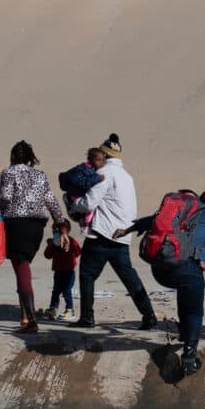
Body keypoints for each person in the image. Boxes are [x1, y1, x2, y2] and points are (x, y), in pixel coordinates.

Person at [114, 181, 205, 376]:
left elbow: (149, 221)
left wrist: (126, 230)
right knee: (195, 307)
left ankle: (184, 332)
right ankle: (189, 356)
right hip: (184, 268)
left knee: (185, 290)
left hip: (159, 269)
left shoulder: (179, 215)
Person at [69, 133, 157, 330]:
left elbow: (90, 202)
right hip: (123, 234)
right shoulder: (127, 177)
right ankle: (149, 315)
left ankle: (87, 317)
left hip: (103, 233)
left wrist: (74, 204)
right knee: (129, 277)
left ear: (105, 156)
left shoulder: (105, 174)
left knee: (87, 274)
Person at [0, 140, 69, 334]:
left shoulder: (8, 172)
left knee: (22, 266)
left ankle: (31, 319)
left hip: (16, 224)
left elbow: (6, 196)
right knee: (21, 266)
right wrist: (61, 223)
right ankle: (24, 316)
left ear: (13, 156)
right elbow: (51, 200)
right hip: (36, 227)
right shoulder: (40, 175)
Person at [59, 148, 106, 234]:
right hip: (76, 194)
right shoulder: (84, 169)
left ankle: (84, 224)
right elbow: (83, 182)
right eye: (98, 160)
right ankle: (85, 225)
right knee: (89, 208)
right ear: (90, 159)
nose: (101, 163)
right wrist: (98, 178)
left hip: (81, 193)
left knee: (90, 209)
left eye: (103, 160)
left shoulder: (92, 169)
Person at [42, 221, 82, 321]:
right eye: (54, 231)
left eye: (58, 231)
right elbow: (47, 255)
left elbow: (78, 252)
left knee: (67, 291)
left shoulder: (71, 240)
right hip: (58, 271)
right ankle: (53, 309)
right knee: (56, 291)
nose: (56, 233)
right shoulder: (54, 243)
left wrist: (69, 248)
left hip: (69, 271)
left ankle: (70, 310)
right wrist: (51, 245)